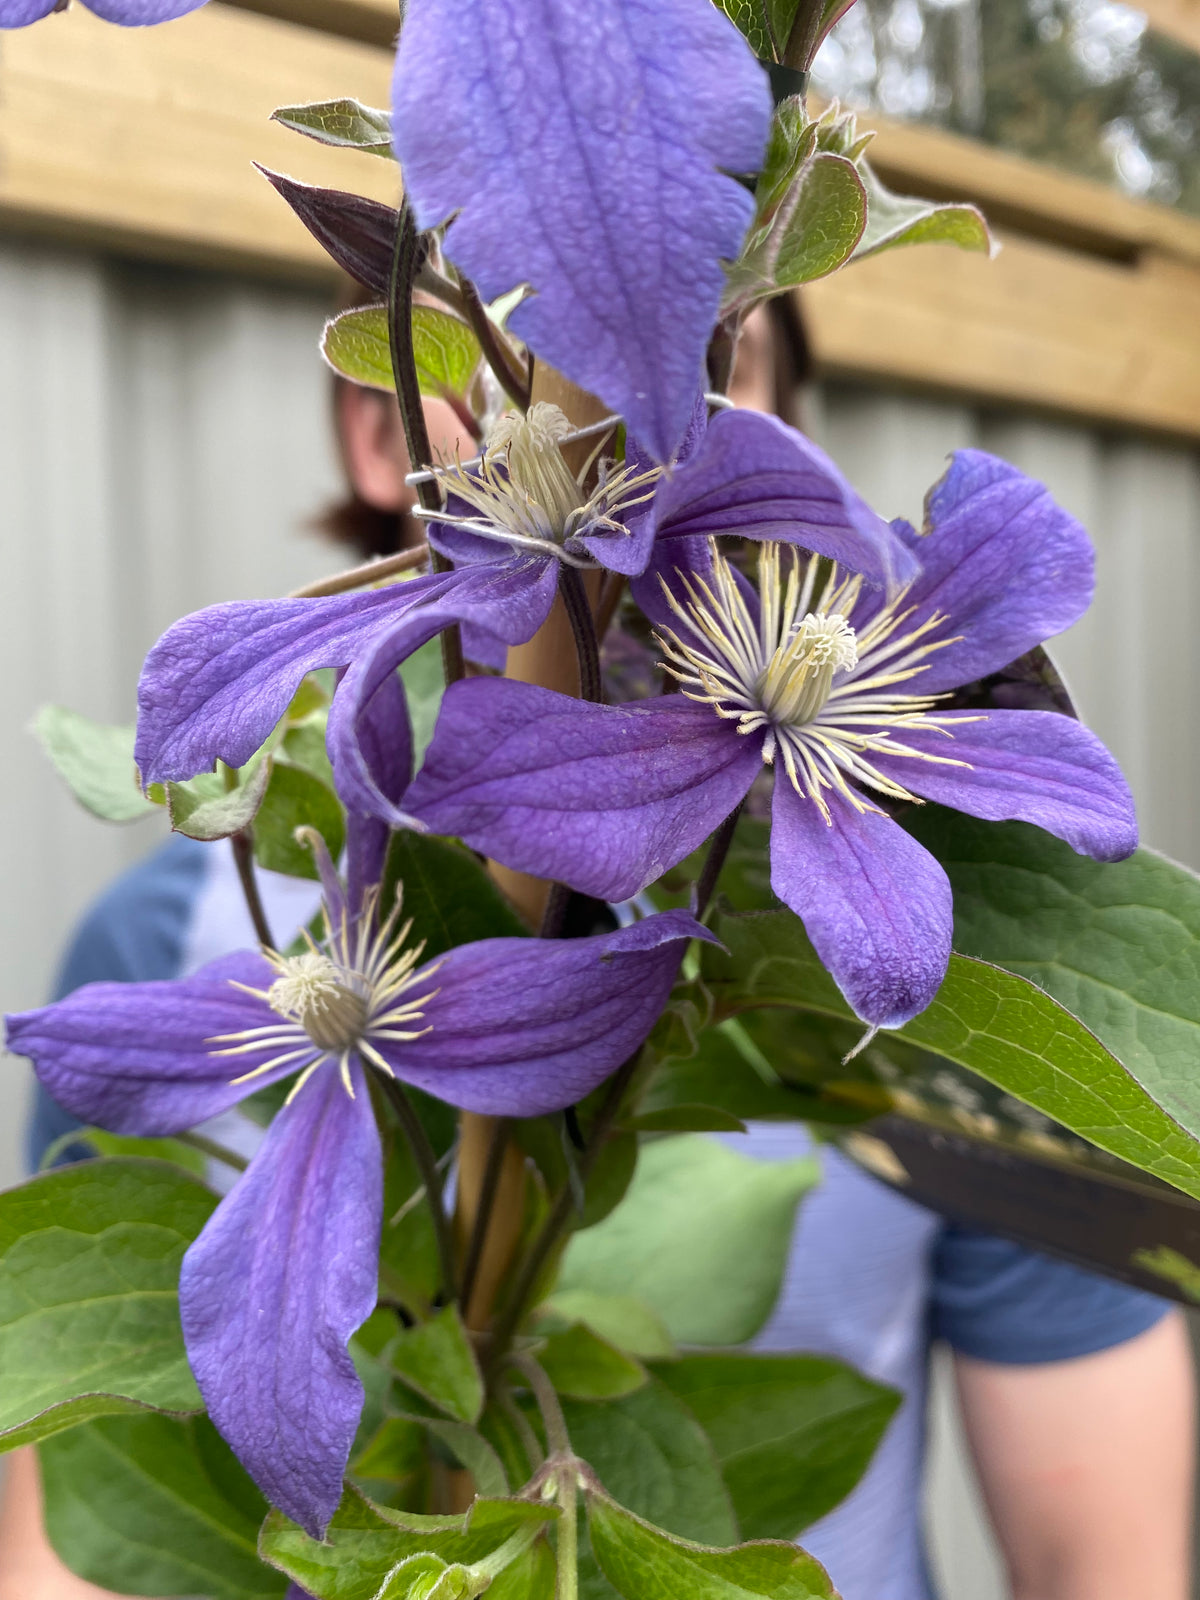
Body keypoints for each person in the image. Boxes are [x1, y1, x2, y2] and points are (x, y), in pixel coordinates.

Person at [2, 298, 1193, 1600]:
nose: (633, 442)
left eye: (702, 375)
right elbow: (55, 1562)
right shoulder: (167, 933)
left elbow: (1105, 1555)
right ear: (387, 430)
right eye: (555, 382)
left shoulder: (942, 968)